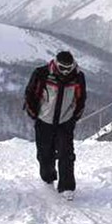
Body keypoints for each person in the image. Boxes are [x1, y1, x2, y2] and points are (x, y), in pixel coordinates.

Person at [24, 50, 86, 200]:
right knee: (45, 154)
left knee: (66, 153)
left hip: (65, 122)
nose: (66, 71)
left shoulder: (78, 77)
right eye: (62, 68)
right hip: (44, 121)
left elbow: (81, 98)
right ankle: (48, 176)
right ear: (56, 63)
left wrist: (73, 117)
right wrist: (34, 114)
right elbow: (30, 94)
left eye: (69, 68)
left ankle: (67, 187)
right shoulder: (42, 74)